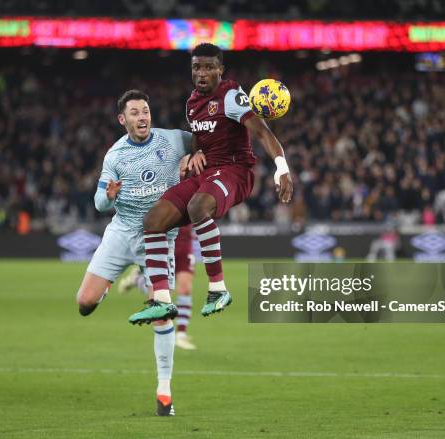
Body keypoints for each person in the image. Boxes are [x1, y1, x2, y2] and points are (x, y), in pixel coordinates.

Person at [128, 43, 293, 324]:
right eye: (196, 67)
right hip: (207, 173)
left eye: (208, 67)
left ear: (220, 69)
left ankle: (218, 288)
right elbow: (198, 139)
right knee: (153, 220)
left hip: (235, 171)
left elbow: (262, 133)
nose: (201, 73)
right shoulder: (192, 103)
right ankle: (161, 300)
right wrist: (194, 152)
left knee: (198, 207)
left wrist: (282, 168)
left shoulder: (230, 95)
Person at [75, 89, 194, 416]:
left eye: (145, 111)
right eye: (135, 113)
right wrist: (110, 195)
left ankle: (164, 391)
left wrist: (199, 156)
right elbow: (99, 204)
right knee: (84, 303)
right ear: (122, 119)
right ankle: (112, 283)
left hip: (158, 236)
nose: (142, 117)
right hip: (122, 232)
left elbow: (206, 143)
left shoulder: (171, 141)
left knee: (163, 310)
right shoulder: (115, 156)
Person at [118, 225, 198, 350]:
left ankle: (181, 335)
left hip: (185, 245)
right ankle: (137, 280)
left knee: (185, 289)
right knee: (162, 298)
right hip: (164, 243)